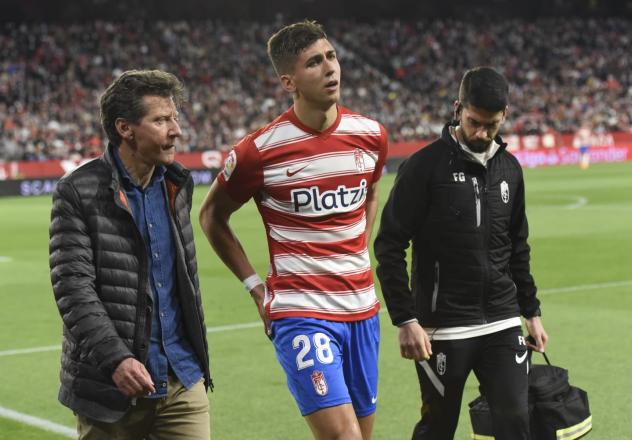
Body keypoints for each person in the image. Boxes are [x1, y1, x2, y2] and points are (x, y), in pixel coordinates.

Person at [199, 20, 387, 440]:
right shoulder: (259, 151)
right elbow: (211, 216)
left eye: (332, 56)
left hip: (362, 309)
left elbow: (371, 191)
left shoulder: (371, 135)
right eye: (314, 63)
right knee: (344, 437)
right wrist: (254, 286)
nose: (330, 68)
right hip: (301, 312)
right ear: (289, 81)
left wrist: (359, 248)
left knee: (362, 434)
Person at [374, 66, 548, 440]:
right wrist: (405, 319)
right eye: (474, 122)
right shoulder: (422, 167)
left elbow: (517, 246)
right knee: (438, 428)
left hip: (502, 320)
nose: (482, 133)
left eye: (491, 125)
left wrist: (531, 313)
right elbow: (389, 244)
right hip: (442, 326)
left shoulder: (510, 169)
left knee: (516, 422)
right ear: (457, 109)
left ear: (504, 117)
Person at [49, 69, 212, 439]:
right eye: (161, 120)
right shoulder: (78, 192)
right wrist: (116, 359)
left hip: (182, 380)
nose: (176, 130)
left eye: (174, 118)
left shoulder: (176, 184)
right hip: (113, 389)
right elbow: (73, 288)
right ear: (125, 128)